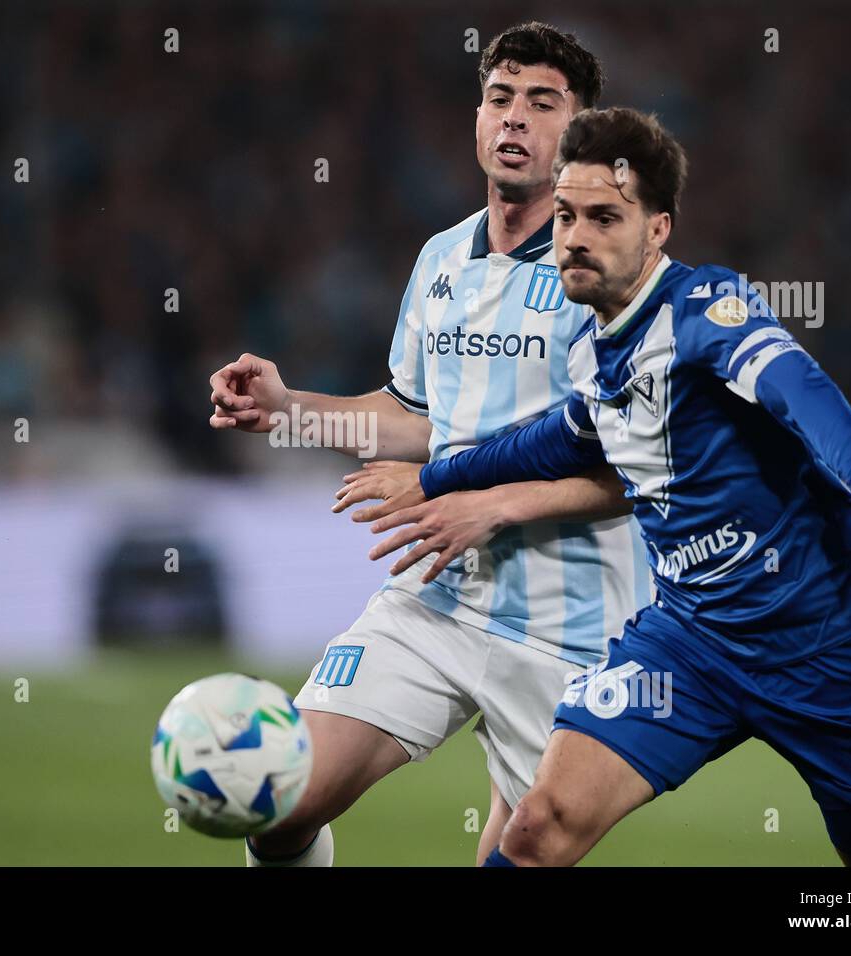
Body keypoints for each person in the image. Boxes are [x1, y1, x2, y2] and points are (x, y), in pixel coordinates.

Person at [361, 106, 851, 866]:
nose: (576, 236)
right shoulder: (591, 344)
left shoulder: (706, 309)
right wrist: (434, 476)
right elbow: (558, 439)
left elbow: (793, 384)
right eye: (566, 215)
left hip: (823, 647)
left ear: (657, 229)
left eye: (605, 217)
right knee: (536, 829)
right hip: (690, 646)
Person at [207, 22, 646, 866]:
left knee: (522, 848)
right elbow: (415, 416)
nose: (514, 118)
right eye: (500, 98)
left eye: (542, 104)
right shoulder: (442, 257)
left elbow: (635, 464)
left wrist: (471, 500)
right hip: (434, 599)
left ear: (581, 134)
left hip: (567, 630)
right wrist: (289, 408)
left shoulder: (612, 278)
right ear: (477, 117)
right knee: (276, 801)